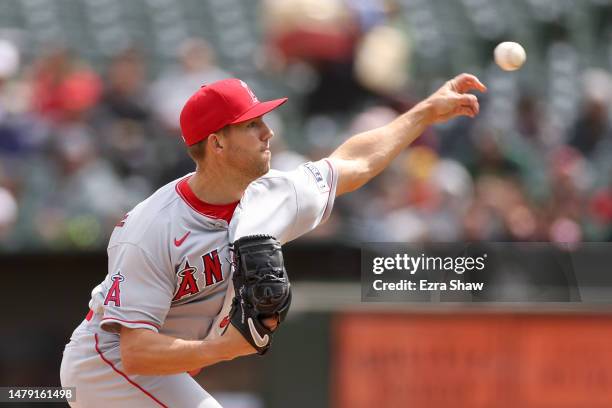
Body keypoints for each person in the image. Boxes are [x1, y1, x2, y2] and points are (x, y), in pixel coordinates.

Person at [60, 75, 486, 407]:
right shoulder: (152, 229)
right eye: (252, 125)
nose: (268, 133)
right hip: (105, 366)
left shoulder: (272, 196)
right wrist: (221, 349)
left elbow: (353, 162)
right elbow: (135, 351)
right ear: (218, 142)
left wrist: (427, 111)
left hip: (164, 366)